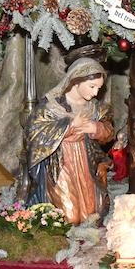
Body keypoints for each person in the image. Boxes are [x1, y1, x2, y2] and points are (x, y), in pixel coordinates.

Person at [26, 57, 114, 225]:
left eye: (99, 88)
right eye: (92, 87)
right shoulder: (51, 106)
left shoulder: (95, 107)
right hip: (60, 163)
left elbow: (109, 131)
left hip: (86, 160)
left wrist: (96, 129)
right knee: (69, 217)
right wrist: (69, 126)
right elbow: (34, 133)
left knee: (91, 214)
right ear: (76, 81)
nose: (95, 93)